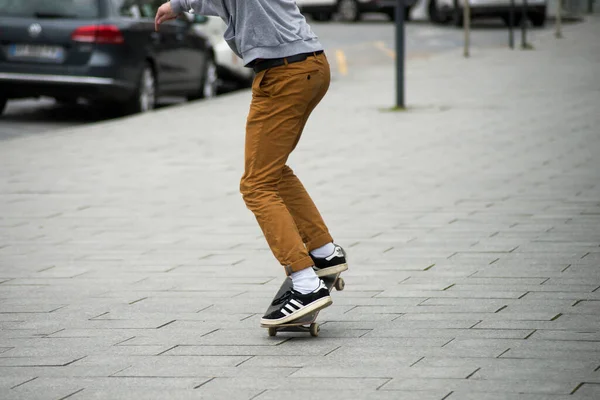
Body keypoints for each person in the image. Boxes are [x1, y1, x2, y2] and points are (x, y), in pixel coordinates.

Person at [155, 0, 348, 327]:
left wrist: (179, 3)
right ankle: (324, 252)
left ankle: (305, 283)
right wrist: (179, 4)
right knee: (273, 172)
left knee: (256, 185)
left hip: (284, 73)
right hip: (310, 66)